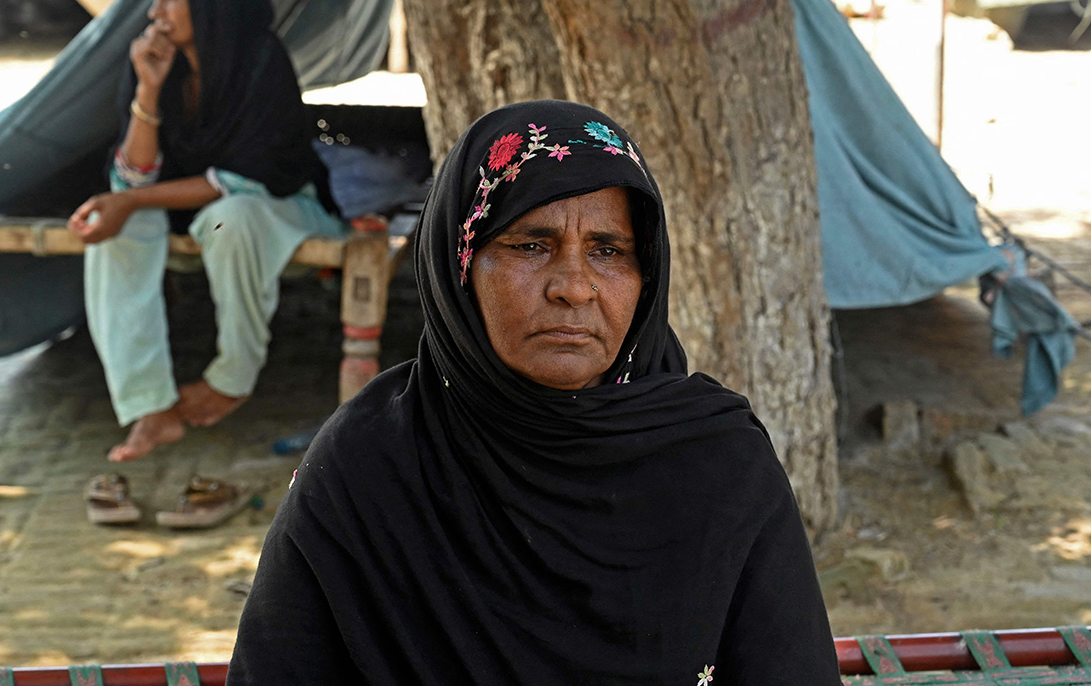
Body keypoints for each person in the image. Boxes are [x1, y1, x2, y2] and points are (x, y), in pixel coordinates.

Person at [227, 100, 842, 685]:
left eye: (609, 250)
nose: (574, 287)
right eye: (530, 245)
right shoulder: (367, 465)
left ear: (646, 274)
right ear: (459, 267)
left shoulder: (718, 464)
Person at [67, 0, 345, 462]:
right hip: (192, 212)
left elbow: (246, 176)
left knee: (232, 216)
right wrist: (149, 92)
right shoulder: (154, 62)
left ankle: (232, 378)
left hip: (279, 207)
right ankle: (149, 406)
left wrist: (132, 199)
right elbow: (133, 177)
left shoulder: (259, 58)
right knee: (115, 226)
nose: (155, 10)